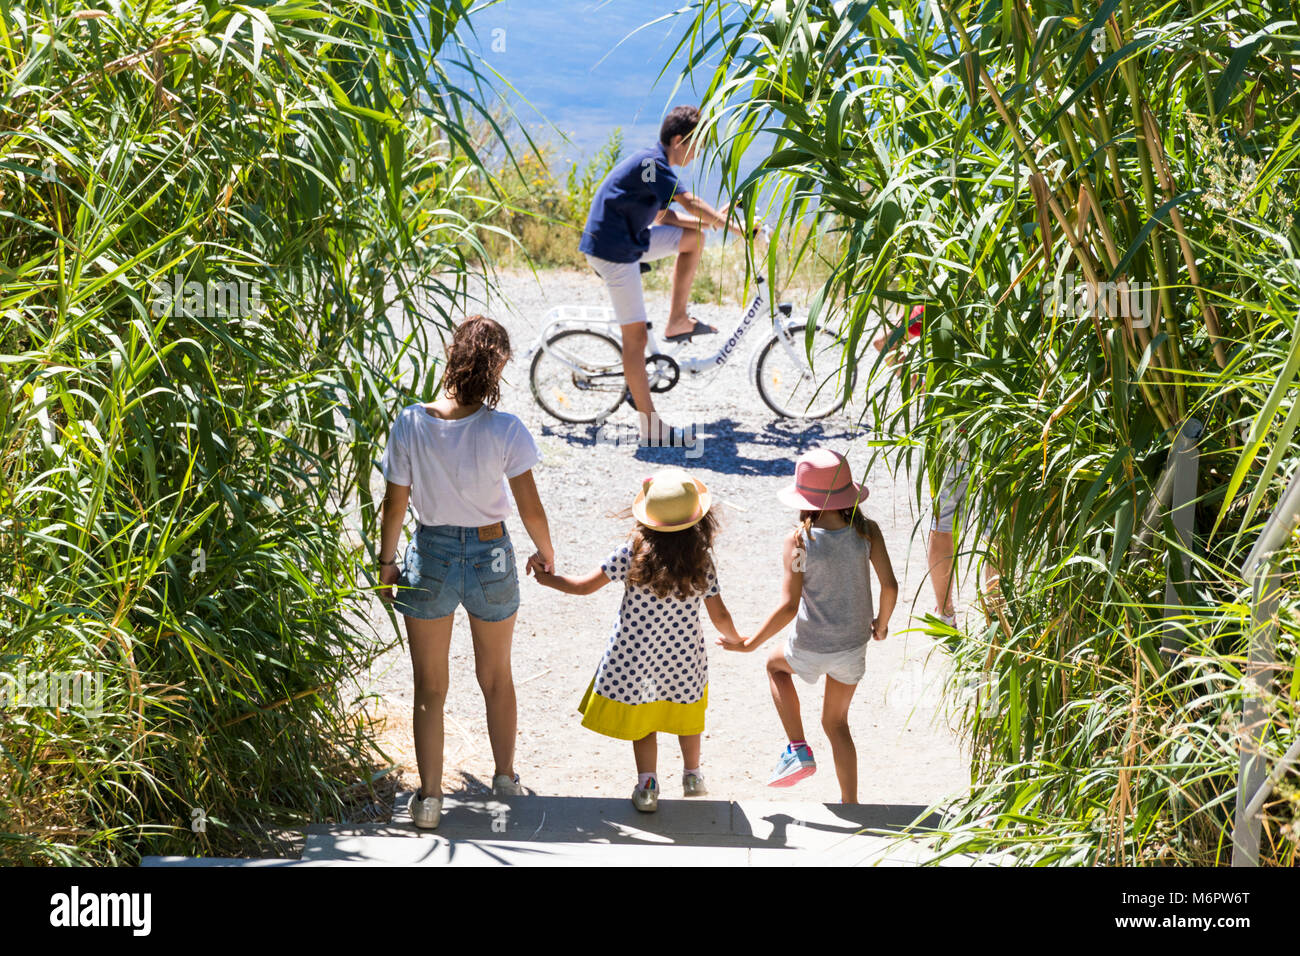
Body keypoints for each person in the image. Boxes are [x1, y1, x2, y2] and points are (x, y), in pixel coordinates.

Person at [376, 315, 556, 830]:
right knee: (496, 676)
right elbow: (530, 507)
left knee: (430, 686)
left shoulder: (412, 421)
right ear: (498, 366)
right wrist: (546, 555)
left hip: (429, 554)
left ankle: (429, 800)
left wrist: (389, 564)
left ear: (453, 356)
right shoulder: (506, 429)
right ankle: (504, 780)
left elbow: (394, 506)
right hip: (490, 554)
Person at [533, 468, 742, 812]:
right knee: (687, 714)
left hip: (637, 658)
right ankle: (692, 776)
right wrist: (737, 640)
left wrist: (548, 581)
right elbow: (719, 614)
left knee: (644, 720)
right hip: (684, 659)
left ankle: (647, 786)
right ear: (698, 520)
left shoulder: (632, 552)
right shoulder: (700, 560)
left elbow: (584, 586)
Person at [720, 448, 897, 804]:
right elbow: (890, 586)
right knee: (836, 724)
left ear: (804, 498)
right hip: (851, 647)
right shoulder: (867, 532)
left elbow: (789, 606)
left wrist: (750, 643)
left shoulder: (799, 541)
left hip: (809, 645)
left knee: (774, 665)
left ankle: (798, 749)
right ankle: (851, 803)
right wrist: (881, 624)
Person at [579, 104, 759, 445]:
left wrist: (712, 223)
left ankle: (677, 319)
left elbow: (666, 218)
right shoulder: (652, 164)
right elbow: (688, 204)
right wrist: (732, 228)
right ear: (678, 140)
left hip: (628, 239)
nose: (699, 152)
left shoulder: (651, 167)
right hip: (613, 251)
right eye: (697, 144)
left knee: (695, 238)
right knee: (634, 340)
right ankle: (650, 427)